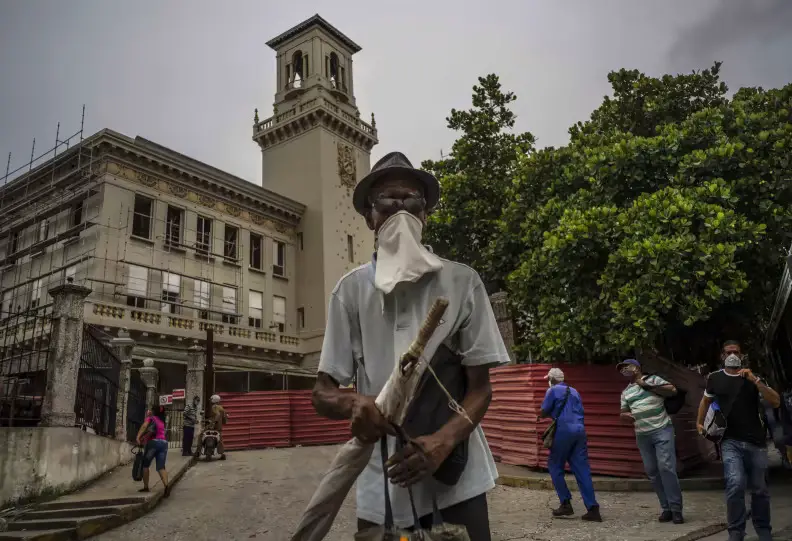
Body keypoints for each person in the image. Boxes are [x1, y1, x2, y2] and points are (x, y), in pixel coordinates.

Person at [312, 151, 510, 541]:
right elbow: (322, 392)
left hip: (456, 478)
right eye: (388, 200)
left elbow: (480, 389)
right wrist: (355, 403)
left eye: (411, 200)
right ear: (369, 215)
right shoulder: (349, 292)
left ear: (425, 214)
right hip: (380, 482)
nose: (400, 209)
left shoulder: (462, 282)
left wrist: (443, 441)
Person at [695, 340, 781, 541]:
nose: (732, 355)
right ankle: (736, 532)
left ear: (742, 355)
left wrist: (755, 380)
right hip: (730, 441)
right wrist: (699, 423)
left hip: (756, 443)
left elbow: (775, 401)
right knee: (735, 484)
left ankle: (763, 529)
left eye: (736, 352)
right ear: (722, 356)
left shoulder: (752, 378)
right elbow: (705, 401)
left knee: (760, 489)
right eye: (728, 352)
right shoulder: (715, 378)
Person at [618, 359, 684, 524]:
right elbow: (623, 413)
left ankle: (676, 509)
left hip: (662, 429)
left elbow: (672, 391)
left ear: (637, 367)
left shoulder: (653, 379)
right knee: (652, 472)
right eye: (622, 369)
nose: (625, 370)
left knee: (666, 467)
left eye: (627, 366)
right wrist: (625, 416)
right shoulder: (626, 392)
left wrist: (645, 384)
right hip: (642, 435)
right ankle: (666, 508)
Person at [539, 368, 601, 521]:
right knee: (582, 469)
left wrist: (542, 415)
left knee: (554, 465)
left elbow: (544, 410)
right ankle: (592, 508)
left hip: (563, 430)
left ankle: (565, 503)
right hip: (579, 430)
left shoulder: (552, 391)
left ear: (552, 379)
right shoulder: (574, 391)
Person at [136, 405, 171, 497]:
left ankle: (146, 486)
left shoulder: (151, 419)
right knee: (161, 467)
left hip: (153, 443)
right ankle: (167, 487)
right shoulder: (162, 421)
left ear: (154, 411)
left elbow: (144, 427)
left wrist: (138, 437)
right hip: (163, 444)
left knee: (145, 465)